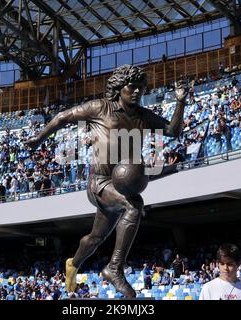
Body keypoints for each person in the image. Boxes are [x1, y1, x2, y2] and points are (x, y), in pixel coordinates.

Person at [25, 65, 189, 298]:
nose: (136, 92)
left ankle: (73, 263)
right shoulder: (100, 107)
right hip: (99, 183)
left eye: (140, 88)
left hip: (121, 185)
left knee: (95, 239)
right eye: (131, 87)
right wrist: (39, 139)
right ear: (118, 89)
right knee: (134, 205)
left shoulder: (143, 116)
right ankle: (114, 268)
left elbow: (172, 131)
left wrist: (180, 101)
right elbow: (64, 116)